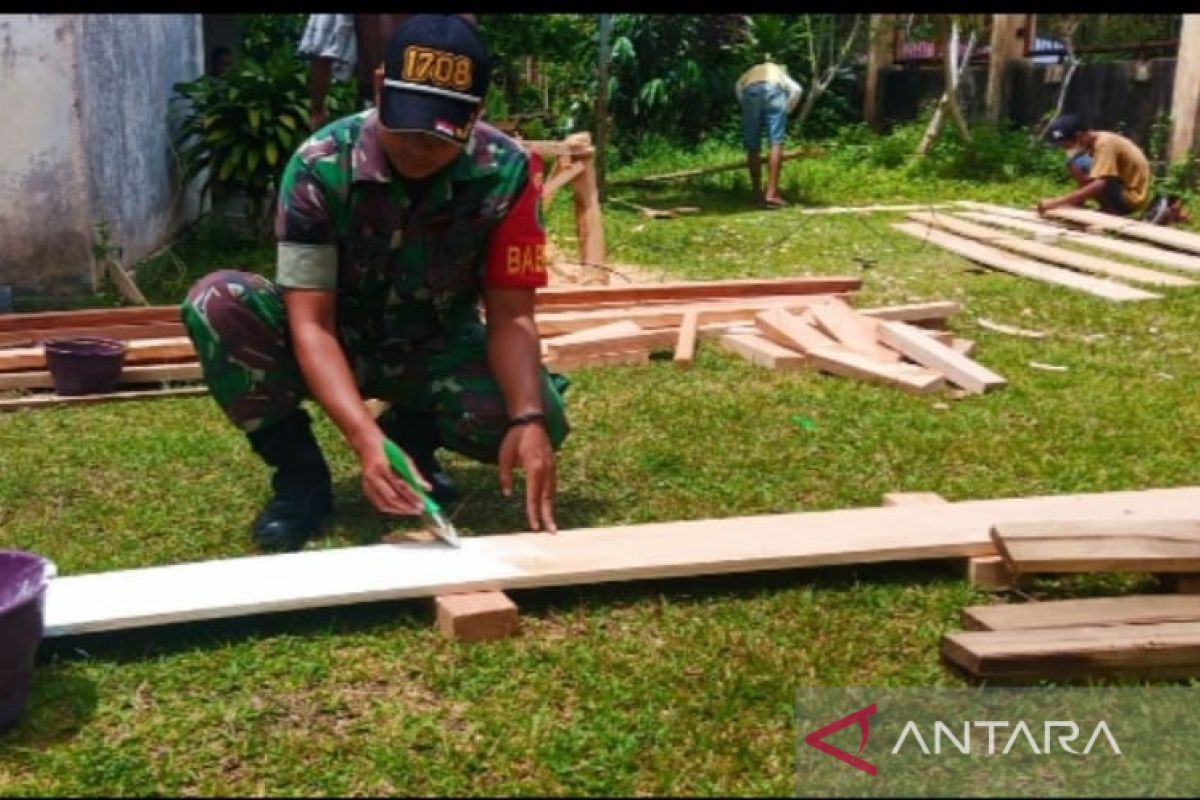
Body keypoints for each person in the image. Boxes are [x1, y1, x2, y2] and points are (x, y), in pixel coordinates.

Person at [182, 14, 569, 553]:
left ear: (475, 114)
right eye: (405, 125)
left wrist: (527, 417)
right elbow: (311, 325)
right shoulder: (320, 166)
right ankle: (300, 479)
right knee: (218, 301)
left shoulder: (507, 172)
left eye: (437, 136)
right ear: (381, 84)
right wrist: (363, 439)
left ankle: (412, 440)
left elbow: (511, 315)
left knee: (542, 413)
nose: (417, 148)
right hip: (332, 341)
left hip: (432, 346)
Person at [300, 14, 477, 131]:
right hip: (444, 96)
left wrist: (318, 108)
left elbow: (321, 53)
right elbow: (467, 30)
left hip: (385, 100)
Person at [1036, 114, 1157, 219]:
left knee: (1087, 171)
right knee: (1076, 162)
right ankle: (1103, 206)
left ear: (1079, 136)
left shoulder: (1104, 143)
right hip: (1121, 186)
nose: (1065, 149)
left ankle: (1113, 210)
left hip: (1131, 198)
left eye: (1066, 145)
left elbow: (1101, 183)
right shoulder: (1093, 142)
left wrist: (1057, 203)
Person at [735, 59, 802, 209]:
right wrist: (787, 109)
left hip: (750, 93)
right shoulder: (778, 71)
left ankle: (756, 193)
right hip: (774, 92)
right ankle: (771, 193)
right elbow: (797, 90)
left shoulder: (751, 71)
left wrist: (746, 106)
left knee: (753, 146)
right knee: (776, 142)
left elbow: (738, 87)